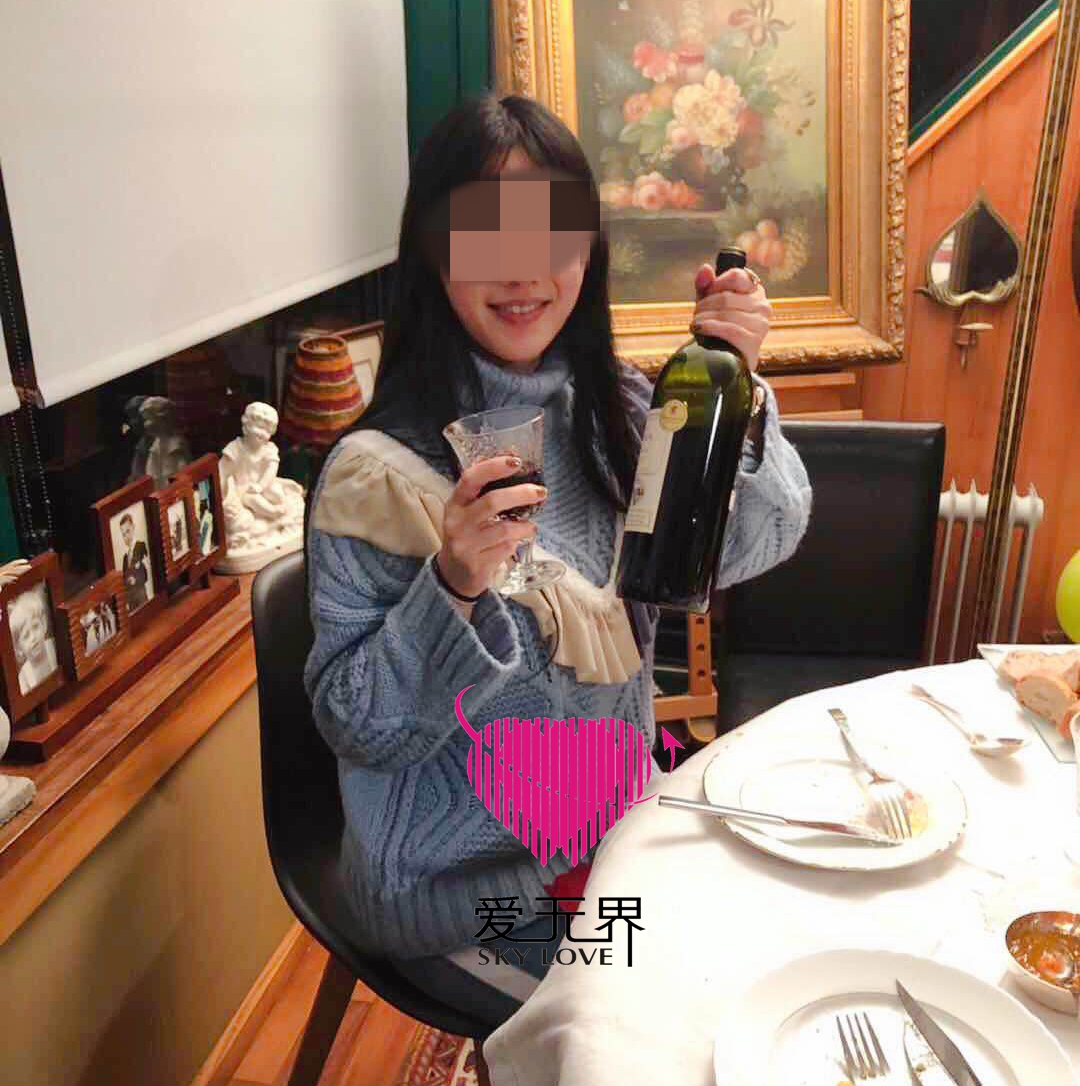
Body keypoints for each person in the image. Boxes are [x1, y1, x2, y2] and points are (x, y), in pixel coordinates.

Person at [304, 93, 812, 1030]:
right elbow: (359, 726)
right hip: (464, 897)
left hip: (611, 841)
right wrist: (452, 586)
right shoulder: (375, 475)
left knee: (773, 977)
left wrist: (737, 381)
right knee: (662, 1044)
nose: (522, 271)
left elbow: (756, 543)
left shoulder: (620, 410)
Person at [219, 402, 305, 567]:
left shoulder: (269, 449)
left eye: (266, 431)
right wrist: (224, 496)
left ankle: (280, 513)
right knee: (252, 500)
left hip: (264, 485)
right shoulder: (235, 449)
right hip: (244, 489)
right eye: (257, 428)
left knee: (277, 492)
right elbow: (221, 473)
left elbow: (271, 471)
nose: (261, 434)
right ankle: (273, 513)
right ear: (246, 427)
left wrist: (261, 486)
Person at [9, 586, 58, 696]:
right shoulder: (23, 678)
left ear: (44, 624)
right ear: (19, 648)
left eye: (35, 627)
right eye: (26, 636)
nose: (33, 637)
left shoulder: (55, 646)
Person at [118, 512, 151, 612]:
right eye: (123, 534)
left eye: (128, 531)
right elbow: (124, 579)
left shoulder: (141, 546)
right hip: (131, 601)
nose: (126, 537)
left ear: (133, 527)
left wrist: (135, 579)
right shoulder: (125, 558)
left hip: (141, 597)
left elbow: (146, 573)